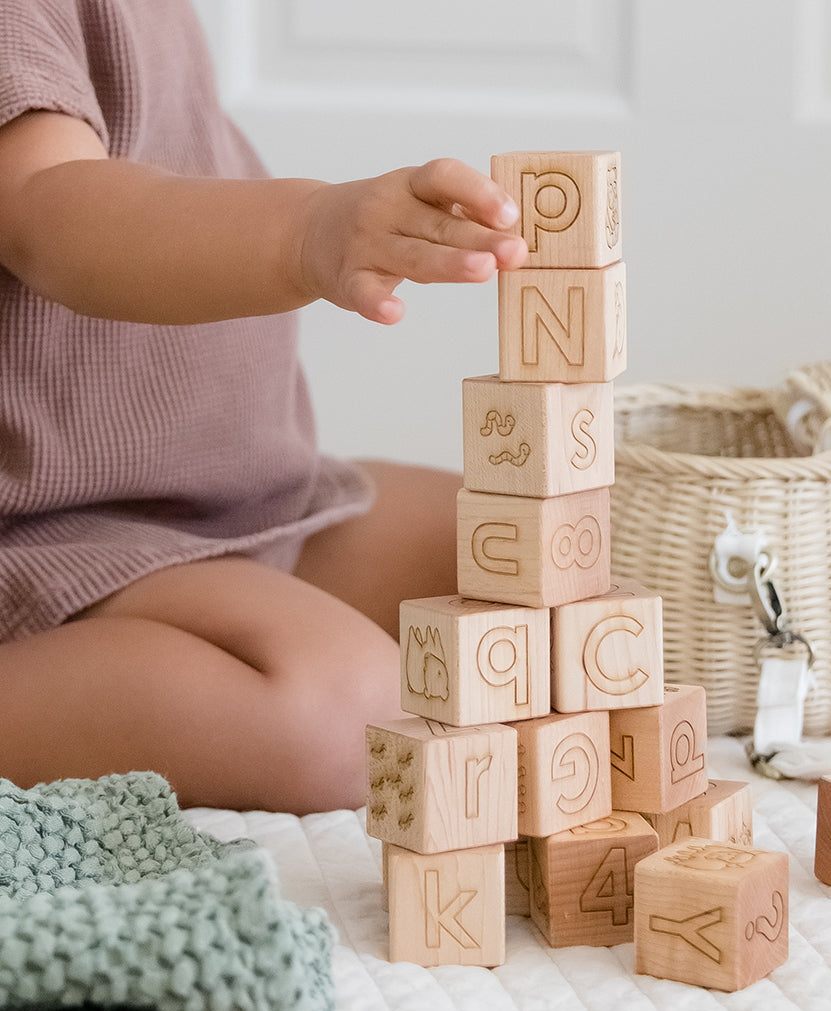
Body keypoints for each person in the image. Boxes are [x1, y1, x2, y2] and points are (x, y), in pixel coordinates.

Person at [0, 0, 528, 813]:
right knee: (340, 713)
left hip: (240, 501)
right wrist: (307, 230)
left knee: (538, 549)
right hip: (59, 540)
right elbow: (50, 208)